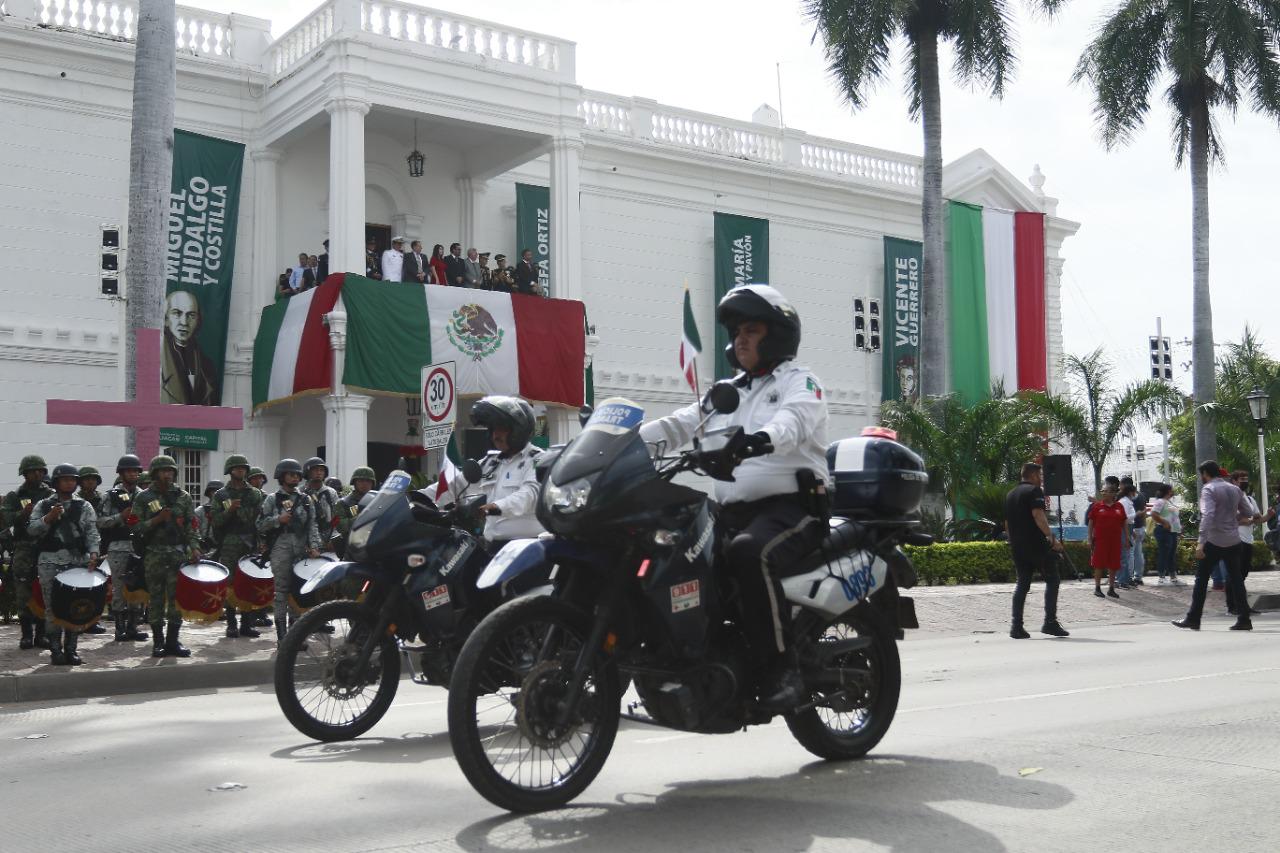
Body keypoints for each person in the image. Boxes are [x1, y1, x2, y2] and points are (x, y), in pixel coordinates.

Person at [640, 284, 827, 712]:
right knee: (673, 549)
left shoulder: (802, 382)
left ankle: (784, 669)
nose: (740, 338)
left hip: (791, 507)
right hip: (731, 510)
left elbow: (792, 423)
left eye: (752, 329)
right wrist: (617, 441)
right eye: (737, 331)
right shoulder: (729, 391)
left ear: (777, 335)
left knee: (748, 554)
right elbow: (679, 425)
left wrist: (758, 440)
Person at [26, 464, 100, 665]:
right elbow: (31, 530)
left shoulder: (84, 506)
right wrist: (47, 519)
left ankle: (71, 650)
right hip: (50, 562)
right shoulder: (43, 505)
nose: (69, 483)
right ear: (56, 482)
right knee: (53, 609)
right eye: (65, 479)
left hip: (77, 562)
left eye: (72, 479)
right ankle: (55, 651)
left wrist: (94, 553)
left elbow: (92, 533)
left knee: (76, 608)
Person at [453, 396, 545, 551]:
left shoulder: (538, 460)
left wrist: (493, 507)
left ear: (518, 430)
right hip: (491, 546)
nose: (495, 434)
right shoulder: (491, 462)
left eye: (502, 428)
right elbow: (456, 484)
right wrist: (417, 497)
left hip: (525, 548)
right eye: (493, 429)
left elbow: (528, 495)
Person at [1174, 461, 1255, 631]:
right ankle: (1244, 619)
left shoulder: (1209, 489)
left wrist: (1200, 543)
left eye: (1201, 475)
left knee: (1202, 580)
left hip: (1214, 540)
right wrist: (1231, 516)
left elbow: (1208, 515)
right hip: (1233, 540)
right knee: (1236, 580)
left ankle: (1193, 618)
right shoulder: (1234, 489)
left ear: (1205, 474)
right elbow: (1248, 513)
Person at [132, 455, 200, 657]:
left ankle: (173, 641)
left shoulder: (183, 497)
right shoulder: (143, 498)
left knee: (176, 599)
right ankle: (158, 642)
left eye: (170, 471)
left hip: (178, 554)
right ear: (154, 473)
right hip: (154, 554)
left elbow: (191, 525)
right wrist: (156, 520)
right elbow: (135, 527)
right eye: (163, 471)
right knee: (156, 599)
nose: (167, 474)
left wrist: (195, 547)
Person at [257, 459, 321, 642]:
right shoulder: (272, 499)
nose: (295, 477)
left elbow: (312, 525)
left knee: (298, 591)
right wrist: (279, 519)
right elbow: (260, 525)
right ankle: (281, 637)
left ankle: (295, 637)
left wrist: (315, 546)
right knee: (281, 592)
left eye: (297, 475)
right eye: (291, 474)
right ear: (281, 476)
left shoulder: (306, 499)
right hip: (280, 548)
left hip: (301, 549)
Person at [1004, 462, 1069, 639]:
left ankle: (1016, 626)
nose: (1041, 480)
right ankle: (1050, 622)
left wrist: (1013, 540)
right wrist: (1052, 539)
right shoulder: (1034, 491)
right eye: (1039, 476)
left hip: (1018, 547)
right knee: (1053, 579)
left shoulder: (1011, 494)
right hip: (1036, 545)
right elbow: (1038, 516)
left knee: (1022, 583)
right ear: (1032, 476)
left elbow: (1007, 523)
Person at [2, 455, 54, 650]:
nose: (38, 473)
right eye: (34, 470)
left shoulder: (50, 494)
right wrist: (21, 514)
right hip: (23, 546)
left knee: (43, 588)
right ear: (25, 473)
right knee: (23, 590)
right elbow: (6, 518)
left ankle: (42, 635)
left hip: (45, 547)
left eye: (41, 470)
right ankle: (26, 635)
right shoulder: (15, 496)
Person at [210, 455, 265, 639]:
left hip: (250, 542)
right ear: (230, 470)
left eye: (243, 468)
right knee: (231, 583)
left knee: (249, 582)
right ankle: (232, 623)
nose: (240, 470)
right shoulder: (221, 495)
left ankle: (247, 623)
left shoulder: (255, 494)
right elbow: (216, 521)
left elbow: (260, 519)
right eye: (237, 468)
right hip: (229, 543)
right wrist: (229, 511)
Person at [97, 454, 149, 642]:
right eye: (129, 470)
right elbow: (100, 521)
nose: (133, 474)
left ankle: (133, 627)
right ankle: (120, 629)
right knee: (120, 587)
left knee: (137, 587)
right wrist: (120, 517)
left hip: (139, 547)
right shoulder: (110, 496)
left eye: (136, 470)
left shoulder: (145, 496)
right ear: (121, 473)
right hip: (118, 546)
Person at [161, 290, 220, 405]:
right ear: (166, 319)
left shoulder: (207, 367)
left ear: (198, 321)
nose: (184, 322)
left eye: (191, 315)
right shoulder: (155, 362)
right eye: (177, 313)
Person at [1227, 470, 1264, 617]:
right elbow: (1234, 518)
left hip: (1248, 540)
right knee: (1235, 575)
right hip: (1236, 540)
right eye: (1242, 478)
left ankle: (1243, 606)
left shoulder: (1249, 499)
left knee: (1243, 574)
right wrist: (1248, 520)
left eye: (1246, 478)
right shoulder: (1231, 497)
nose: (1245, 481)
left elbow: (1257, 518)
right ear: (1234, 481)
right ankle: (1232, 606)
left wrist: (1268, 515)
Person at [1088, 485, 1127, 598]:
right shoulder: (1097, 506)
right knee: (1098, 564)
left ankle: (1111, 588)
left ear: (1113, 494)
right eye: (1102, 491)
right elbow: (1091, 523)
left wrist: (1127, 537)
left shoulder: (1119, 506)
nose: (1103, 493)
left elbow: (1124, 523)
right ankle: (1097, 588)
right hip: (1100, 541)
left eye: (1106, 491)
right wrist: (1089, 538)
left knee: (1113, 565)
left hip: (1115, 540)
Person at [333, 467, 377, 559]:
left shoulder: (378, 502)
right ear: (354, 482)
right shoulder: (343, 503)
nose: (364, 484)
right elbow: (340, 526)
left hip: (375, 547)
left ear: (372, 483)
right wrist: (362, 518)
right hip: (352, 551)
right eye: (361, 481)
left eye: (368, 481)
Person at [301, 457, 339, 546]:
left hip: (327, 540)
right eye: (315, 470)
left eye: (321, 470)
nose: (319, 473)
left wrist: (334, 539)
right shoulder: (300, 492)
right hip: (305, 541)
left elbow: (337, 518)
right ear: (308, 472)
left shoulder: (331, 493)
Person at [1150, 483, 1183, 585]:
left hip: (1172, 532)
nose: (1173, 491)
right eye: (1171, 490)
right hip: (1163, 531)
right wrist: (1164, 522)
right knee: (1164, 553)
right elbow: (1154, 513)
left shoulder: (1169, 502)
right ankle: (1161, 577)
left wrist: (1179, 528)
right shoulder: (1160, 502)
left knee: (1171, 555)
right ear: (1168, 491)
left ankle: (1173, 577)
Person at [194, 480, 224, 551]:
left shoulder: (228, 509)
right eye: (214, 491)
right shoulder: (200, 510)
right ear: (209, 493)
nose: (216, 493)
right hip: (206, 548)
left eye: (219, 491)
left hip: (224, 548)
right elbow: (194, 529)